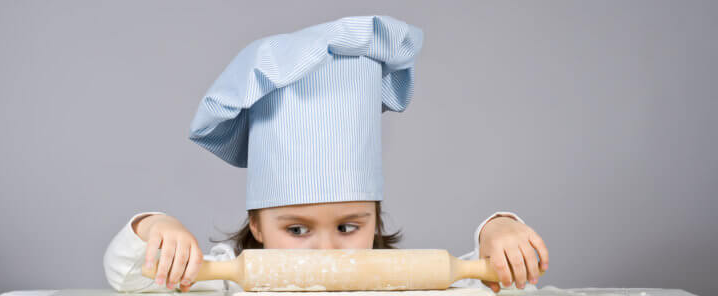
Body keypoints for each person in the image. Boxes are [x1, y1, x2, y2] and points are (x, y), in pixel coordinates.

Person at [103, 15, 549, 294]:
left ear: (375, 220)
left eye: (349, 226)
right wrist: (156, 228)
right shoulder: (225, 281)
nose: (326, 249)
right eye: (296, 228)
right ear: (256, 224)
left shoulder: (399, 283)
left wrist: (500, 232)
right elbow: (132, 280)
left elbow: (491, 284)